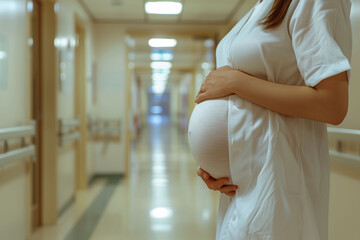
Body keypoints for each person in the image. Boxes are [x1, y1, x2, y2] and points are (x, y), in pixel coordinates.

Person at [187, 0, 352, 239]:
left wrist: (236, 82)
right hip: (239, 191)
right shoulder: (260, 7)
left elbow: (333, 104)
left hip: (279, 187)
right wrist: (217, 165)